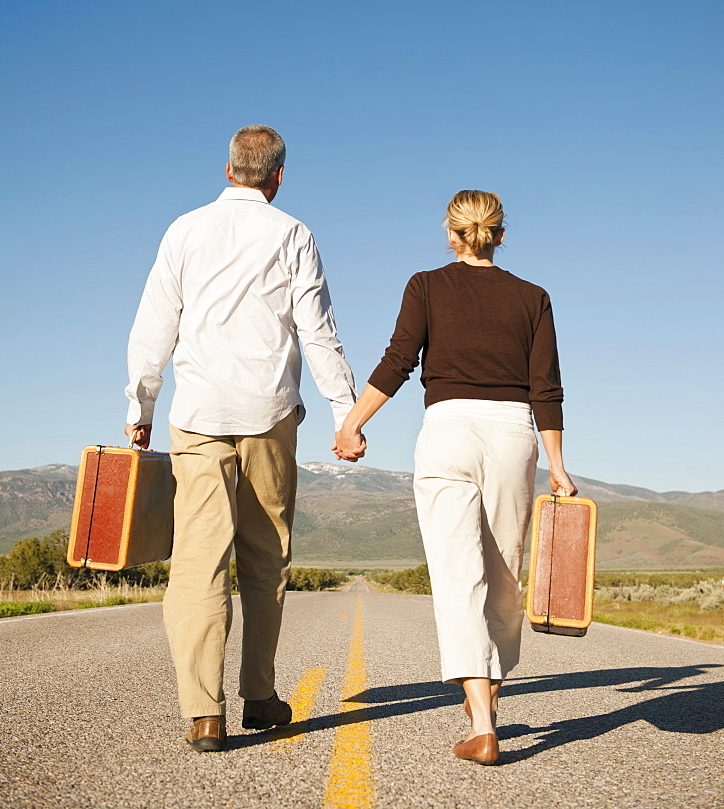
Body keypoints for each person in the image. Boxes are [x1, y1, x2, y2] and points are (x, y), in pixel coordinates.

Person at [125, 125, 358, 752]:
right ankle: (259, 694)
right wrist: (345, 409)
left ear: (228, 169)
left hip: (197, 412)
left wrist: (141, 401)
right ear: (278, 178)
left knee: (199, 560)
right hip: (270, 411)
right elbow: (317, 331)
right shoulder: (293, 234)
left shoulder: (183, 230)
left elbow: (155, 323)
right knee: (265, 557)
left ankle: (204, 713)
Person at [334, 189, 576, 766]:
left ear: (452, 233)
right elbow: (546, 386)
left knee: (456, 574)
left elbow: (399, 359)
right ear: (500, 233)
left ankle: (483, 723)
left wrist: (352, 424)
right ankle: (487, 699)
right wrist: (559, 464)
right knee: (504, 576)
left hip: (447, 431)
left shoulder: (425, 285)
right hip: (513, 434)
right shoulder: (533, 297)